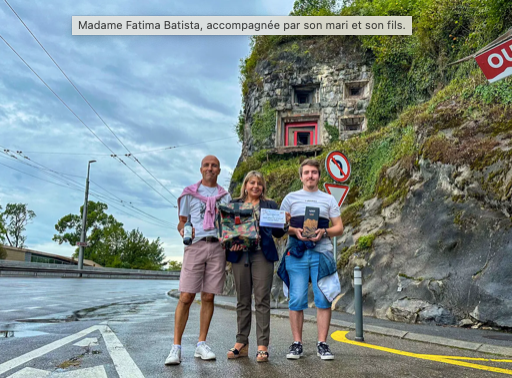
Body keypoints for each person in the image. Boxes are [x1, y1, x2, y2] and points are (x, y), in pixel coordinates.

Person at [165, 155, 231, 366]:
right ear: (200, 169)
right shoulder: (189, 194)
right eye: (206, 165)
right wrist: (185, 232)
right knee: (186, 296)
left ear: (219, 170)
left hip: (217, 246)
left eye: (214, 165)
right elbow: (182, 222)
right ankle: (176, 347)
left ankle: (201, 344)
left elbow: (229, 222)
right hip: (195, 245)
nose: (210, 168)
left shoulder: (225, 196)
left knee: (209, 296)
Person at [278, 159, 344, 360]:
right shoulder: (290, 198)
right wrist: (293, 230)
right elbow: (279, 225)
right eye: (306, 172)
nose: (310, 176)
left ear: (318, 176)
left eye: (314, 172)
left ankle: (322, 344)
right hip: (296, 252)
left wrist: (324, 231)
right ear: (301, 176)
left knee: (323, 299)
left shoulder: (328, 199)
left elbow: (339, 227)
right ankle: (297, 343)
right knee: (296, 298)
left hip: (321, 253)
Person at [226, 171, 290, 362]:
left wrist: (285, 222)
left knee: (262, 299)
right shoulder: (233, 204)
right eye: (252, 183)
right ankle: (241, 343)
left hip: (262, 253)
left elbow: (278, 233)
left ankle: (263, 345)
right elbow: (227, 229)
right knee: (242, 300)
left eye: (259, 184)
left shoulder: (270, 205)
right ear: (245, 185)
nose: (256, 186)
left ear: (263, 187)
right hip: (239, 254)